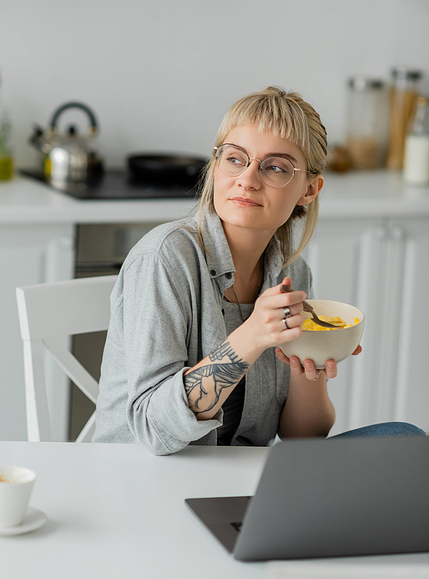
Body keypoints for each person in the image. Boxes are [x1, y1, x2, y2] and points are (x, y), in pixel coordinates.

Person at [93, 87, 424, 454]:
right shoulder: (166, 258)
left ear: (310, 190)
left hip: (239, 477)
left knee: (404, 440)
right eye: (235, 159)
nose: (248, 179)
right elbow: (153, 429)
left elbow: (302, 439)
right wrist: (251, 336)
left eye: (276, 167)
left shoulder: (292, 275)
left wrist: (309, 371)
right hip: (147, 474)